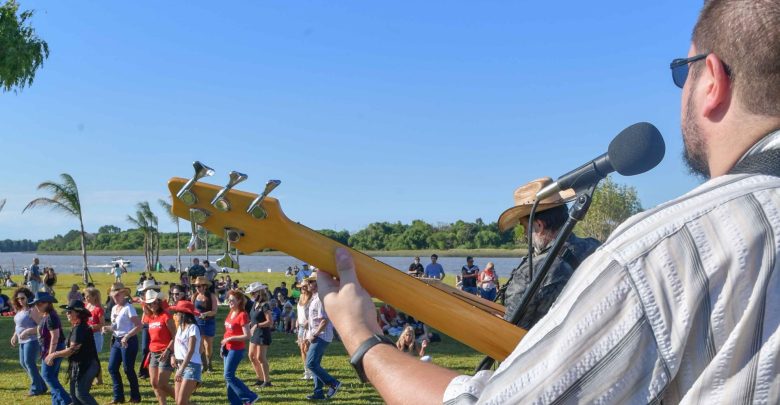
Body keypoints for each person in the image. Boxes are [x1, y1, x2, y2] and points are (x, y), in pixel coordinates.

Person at [317, 2, 780, 401]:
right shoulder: (608, 251)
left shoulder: (663, 253)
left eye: (685, 72)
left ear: (713, 80)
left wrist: (361, 338)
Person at [495, 178, 600, 328]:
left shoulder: (529, 274)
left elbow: (512, 331)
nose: (525, 233)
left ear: (538, 226)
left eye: (525, 227)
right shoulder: (594, 247)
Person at [47, 300, 100, 405]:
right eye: (67, 311)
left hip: (87, 366)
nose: (67, 313)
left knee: (81, 393)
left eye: (70, 311)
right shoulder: (77, 327)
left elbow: (72, 350)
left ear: (78, 313)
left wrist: (53, 354)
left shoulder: (80, 329)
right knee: (74, 396)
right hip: (79, 365)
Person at [102, 283, 142, 404]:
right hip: (117, 340)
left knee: (128, 369)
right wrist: (107, 328)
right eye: (113, 295)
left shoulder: (129, 308)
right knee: (112, 368)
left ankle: (135, 397)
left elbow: (139, 326)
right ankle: (118, 397)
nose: (115, 297)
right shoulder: (114, 308)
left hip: (128, 341)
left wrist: (127, 336)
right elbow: (115, 326)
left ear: (124, 294)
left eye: (118, 294)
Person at [304, 273, 342, 400]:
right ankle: (318, 392)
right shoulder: (314, 297)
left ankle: (333, 383)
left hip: (320, 335)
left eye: (311, 281)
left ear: (318, 283)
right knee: (315, 364)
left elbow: (324, 320)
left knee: (311, 364)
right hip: (317, 335)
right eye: (308, 282)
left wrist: (315, 334)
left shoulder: (320, 298)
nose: (308, 284)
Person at [32, 291, 73, 405]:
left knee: (47, 375)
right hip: (49, 348)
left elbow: (55, 336)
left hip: (53, 348)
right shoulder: (46, 315)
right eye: (36, 304)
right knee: (52, 377)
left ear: (47, 303)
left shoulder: (51, 316)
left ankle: (67, 401)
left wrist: (50, 355)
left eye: (39, 304)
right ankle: (57, 402)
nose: (36, 306)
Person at [221, 289, 259, 405]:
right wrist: (223, 345)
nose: (229, 302)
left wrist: (230, 339)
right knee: (229, 378)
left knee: (228, 375)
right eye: (228, 299)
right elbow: (228, 331)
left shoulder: (242, 315)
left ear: (239, 301)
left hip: (236, 349)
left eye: (232, 300)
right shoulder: (231, 312)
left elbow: (247, 335)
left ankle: (250, 396)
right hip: (227, 347)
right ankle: (235, 402)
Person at [142, 290, 176, 405]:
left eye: (155, 302)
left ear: (159, 302)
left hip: (165, 352)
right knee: (154, 383)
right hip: (153, 353)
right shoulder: (150, 317)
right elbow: (142, 321)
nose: (153, 305)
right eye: (150, 303)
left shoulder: (166, 316)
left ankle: (183, 401)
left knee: (162, 383)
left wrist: (168, 351)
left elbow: (175, 336)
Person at [10, 287, 46, 397]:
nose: (20, 300)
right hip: (22, 340)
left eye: (22, 298)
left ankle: (36, 389)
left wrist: (28, 331)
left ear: (28, 297)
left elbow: (41, 326)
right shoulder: (20, 310)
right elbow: (19, 325)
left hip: (32, 340)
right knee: (23, 363)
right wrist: (15, 335)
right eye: (18, 298)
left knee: (29, 363)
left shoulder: (32, 309)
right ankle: (42, 386)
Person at [169, 300, 202, 405]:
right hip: (180, 364)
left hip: (191, 366)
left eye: (177, 312)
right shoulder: (180, 327)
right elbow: (177, 344)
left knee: (181, 402)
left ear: (183, 314)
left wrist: (181, 369)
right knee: (179, 401)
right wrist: (173, 355)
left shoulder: (193, 328)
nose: (175, 315)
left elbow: (190, 350)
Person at [246, 282, 273, 388]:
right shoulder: (255, 303)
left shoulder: (265, 305)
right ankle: (260, 378)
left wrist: (257, 325)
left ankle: (267, 381)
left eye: (253, 293)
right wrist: (250, 324)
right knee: (251, 356)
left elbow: (270, 322)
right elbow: (254, 317)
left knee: (260, 357)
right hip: (254, 333)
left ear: (259, 292)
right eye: (251, 293)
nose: (251, 295)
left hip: (262, 333)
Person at [191, 276, 218, 372]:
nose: (197, 288)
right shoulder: (194, 296)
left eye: (199, 286)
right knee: (199, 344)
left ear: (205, 286)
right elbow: (192, 309)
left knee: (208, 344)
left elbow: (215, 311)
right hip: (198, 322)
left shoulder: (211, 296)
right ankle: (204, 364)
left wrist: (206, 314)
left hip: (209, 322)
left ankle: (209, 363)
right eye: (196, 286)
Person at [83, 287, 105, 385]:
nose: (86, 298)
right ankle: (93, 377)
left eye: (88, 296)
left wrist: (92, 326)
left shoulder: (98, 309)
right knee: (88, 357)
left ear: (94, 297)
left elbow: (102, 324)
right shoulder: (85, 306)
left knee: (93, 358)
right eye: (85, 296)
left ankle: (98, 378)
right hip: (86, 335)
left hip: (95, 335)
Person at [295, 279, 313, 380]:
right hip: (301, 325)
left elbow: (313, 313)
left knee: (307, 348)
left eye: (305, 286)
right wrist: (298, 319)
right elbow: (299, 310)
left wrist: (308, 321)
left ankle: (311, 370)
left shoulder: (312, 298)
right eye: (302, 287)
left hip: (309, 326)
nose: (303, 288)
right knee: (302, 348)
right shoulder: (301, 297)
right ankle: (306, 371)